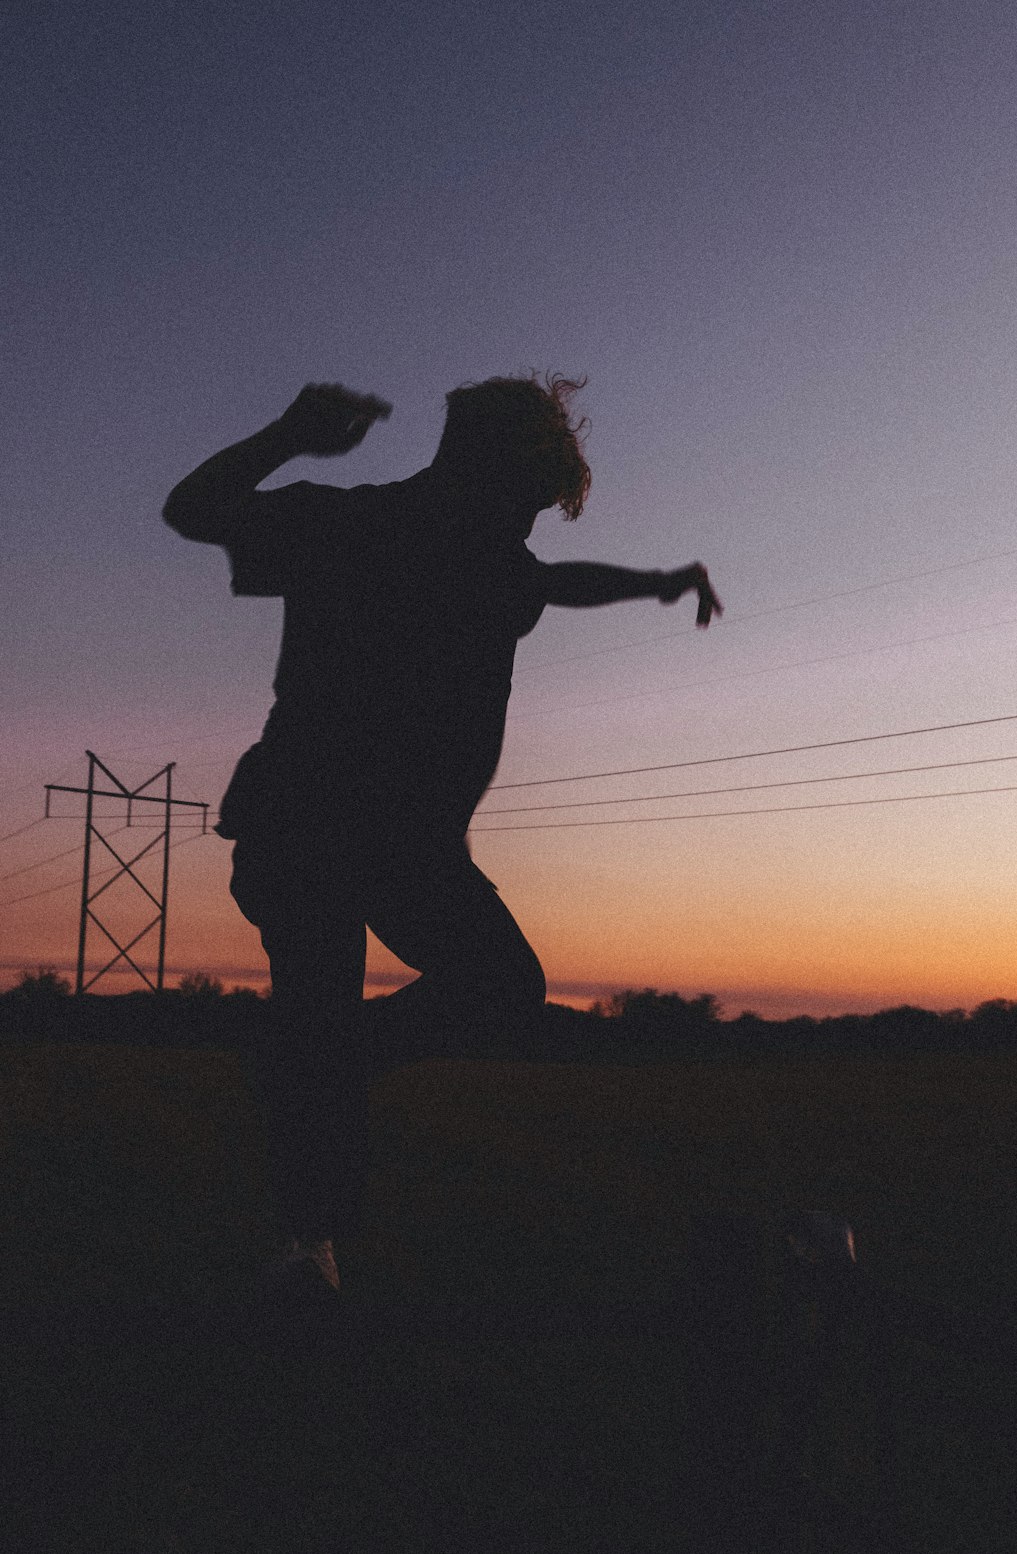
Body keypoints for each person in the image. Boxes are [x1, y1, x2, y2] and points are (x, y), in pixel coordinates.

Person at [163, 374, 721, 1295]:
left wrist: (658, 583)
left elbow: (563, 583)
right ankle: (310, 1245)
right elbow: (194, 510)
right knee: (321, 997)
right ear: (485, 472)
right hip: (303, 823)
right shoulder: (353, 526)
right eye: (529, 502)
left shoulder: (499, 565)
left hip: (410, 848)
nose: (529, 531)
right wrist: (288, 434)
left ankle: (321, 1067)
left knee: (500, 986)